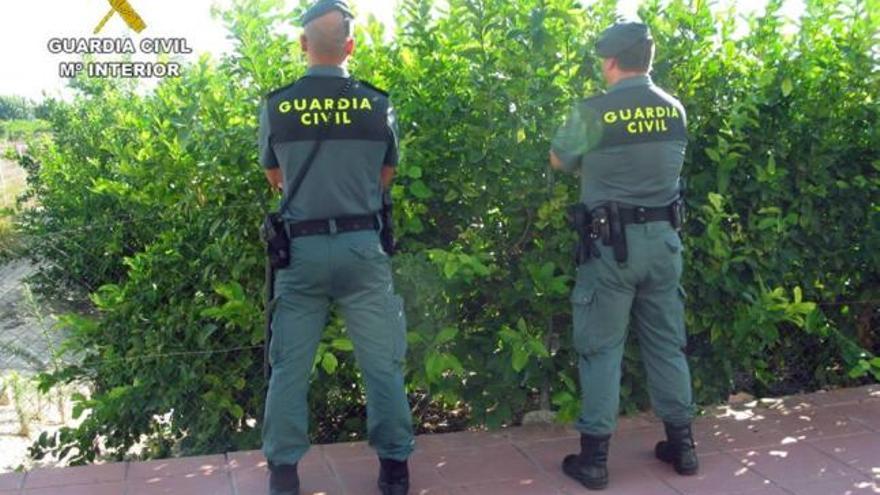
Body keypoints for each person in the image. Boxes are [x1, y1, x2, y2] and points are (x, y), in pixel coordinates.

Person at [258, 1, 413, 494]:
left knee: (289, 367)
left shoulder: (277, 105)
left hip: (300, 253)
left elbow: (275, 178)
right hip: (363, 248)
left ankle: (284, 475)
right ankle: (394, 471)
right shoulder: (376, 102)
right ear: (350, 45)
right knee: (382, 361)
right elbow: (385, 176)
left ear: (304, 45)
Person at [549, 21, 699, 490]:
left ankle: (594, 459)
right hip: (664, 243)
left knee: (600, 348)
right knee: (666, 344)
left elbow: (559, 160)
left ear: (610, 60)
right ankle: (684, 447)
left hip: (611, 249)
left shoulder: (594, 110)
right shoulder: (674, 109)